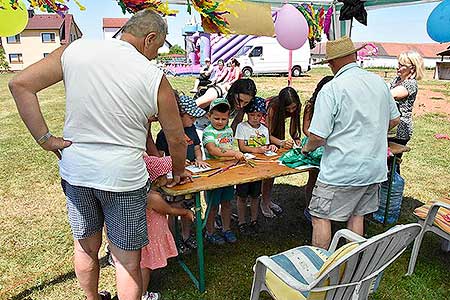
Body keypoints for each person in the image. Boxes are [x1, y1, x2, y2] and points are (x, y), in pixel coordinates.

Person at [9, 10, 191, 300]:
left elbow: (20, 84)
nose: (155, 56)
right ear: (150, 38)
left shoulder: (75, 50)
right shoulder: (154, 77)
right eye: (157, 48)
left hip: (77, 172)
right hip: (123, 178)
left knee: (84, 247)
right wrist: (178, 170)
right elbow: (177, 138)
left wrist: (45, 139)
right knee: (129, 261)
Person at [301, 36, 400, 249]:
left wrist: (306, 148)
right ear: (354, 56)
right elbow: (394, 119)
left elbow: (318, 135)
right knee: (357, 215)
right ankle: (352, 265)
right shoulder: (379, 83)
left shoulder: (333, 88)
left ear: (332, 63)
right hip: (373, 167)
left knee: (320, 216)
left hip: (342, 169)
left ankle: (322, 268)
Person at [155, 94, 208, 252]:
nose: (193, 121)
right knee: (173, 209)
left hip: (190, 177)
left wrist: (199, 158)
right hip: (174, 179)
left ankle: (186, 236)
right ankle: (173, 239)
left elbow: (197, 147)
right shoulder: (164, 134)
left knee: (188, 207)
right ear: (178, 116)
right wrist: (175, 163)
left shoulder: (191, 129)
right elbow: (160, 155)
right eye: (191, 117)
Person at [140, 155, 194, 300]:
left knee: (143, 264)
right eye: (165, 174)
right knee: (144, 267)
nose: (168, 175)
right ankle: (143, 295)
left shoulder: (147, 192)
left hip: (145, 235)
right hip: (151, 236)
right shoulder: (153, 198)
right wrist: (186, 212)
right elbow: (169, 210)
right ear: (157, 180)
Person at [202, 98, 244, 245]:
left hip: (228, 172)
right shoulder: (208, 132)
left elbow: (230, 146)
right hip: (214, 173)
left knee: (226, 202)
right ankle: (210, 231)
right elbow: (213, 150)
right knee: (213, 205)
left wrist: (234, 156)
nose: (220, 122)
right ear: (209, 116)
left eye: (224, 119)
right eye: (216, 118)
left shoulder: (228, 130)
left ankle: (226, 229)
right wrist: (233, 154)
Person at [234, 97, 278, 235]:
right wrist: (258, 150)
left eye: (258, 115)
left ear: (262, 116)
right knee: (241, 196)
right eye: (252, 115)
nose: (255, 118)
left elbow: (265, 145)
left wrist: (270, 146)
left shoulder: (264, 129)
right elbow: (242, 147)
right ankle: (241, 222)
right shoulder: (242, 127)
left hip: (259, 168)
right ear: (247, 114)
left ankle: (254, 220)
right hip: (245, 167)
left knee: (255, 196)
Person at [260, 87, 302, 218]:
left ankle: (267, 199)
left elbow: (294, 129)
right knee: (267, 170)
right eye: (288, 109)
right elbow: (266, 135)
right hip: (260, 132)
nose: (291, 111)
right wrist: (281, 143)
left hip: (273, 132)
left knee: (272, 171)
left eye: (293, 108)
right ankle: (262, 202)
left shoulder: (295, 107)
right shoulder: (273, 107)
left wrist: (296, 139)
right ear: (282, 105)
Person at [302, 76, 334, 220]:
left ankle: (326, 207)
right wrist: (318, 138)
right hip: (315, 144)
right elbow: (306, 129)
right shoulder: (311, 105)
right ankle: (309, 205)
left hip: (329, 145)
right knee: (313, 176)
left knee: (327, 180)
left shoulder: (335, 104)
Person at [389, 51, 424, 148]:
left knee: (391, 160)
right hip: (390, 126)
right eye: (398, 64)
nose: (397, 67)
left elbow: (390, 94)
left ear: (412, 68)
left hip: (400, 130)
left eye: (401, 65)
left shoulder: (410, 84)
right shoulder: (397, 79)